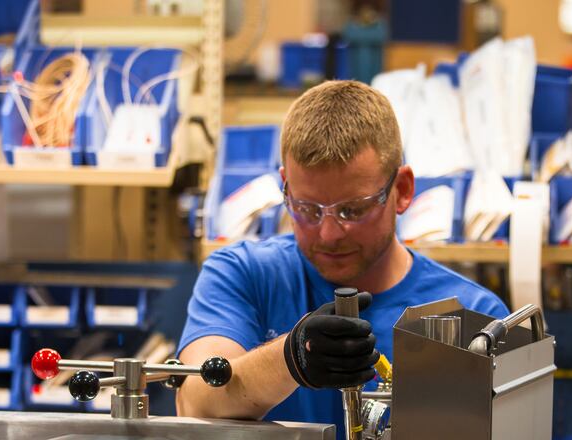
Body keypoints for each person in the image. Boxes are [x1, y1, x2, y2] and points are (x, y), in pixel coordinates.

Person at [175, 80, 509, 437]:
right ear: (285, 186)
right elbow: (195, 402)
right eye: (307, 209)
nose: (329, 234)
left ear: (403, 190)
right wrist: (290, 359)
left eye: (352, 210)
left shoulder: (474, 316)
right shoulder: (243, 274)